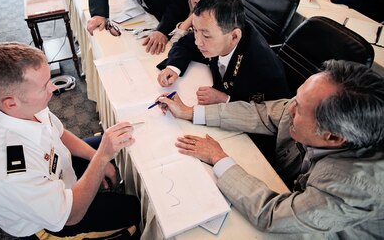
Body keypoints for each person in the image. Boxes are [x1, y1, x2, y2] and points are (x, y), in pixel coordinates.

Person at [158, 59, 384, 239]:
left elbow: (273, 215)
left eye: (300, 109)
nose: (290, 106)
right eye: (297, 96)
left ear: (333, 136)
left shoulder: (355, 185)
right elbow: (262, 113)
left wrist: (219, 158)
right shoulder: (313, 113)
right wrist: (191, 112)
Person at [0, 42, 141, 239]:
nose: (53, 87)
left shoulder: (16, 106)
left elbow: (58, 133)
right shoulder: (8, 174)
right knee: (133, 208)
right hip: (50, 224)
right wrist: (101, 159)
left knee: (121, 145)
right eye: (44, 86)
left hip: (57, 168)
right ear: (11, 102)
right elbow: (70, 216)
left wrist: (95, 156)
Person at [157, 0, 290, 105]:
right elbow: (185, 44)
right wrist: (173, 68)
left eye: (206, 36)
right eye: (195, 30)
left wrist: (226, 99)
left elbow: (271, 115)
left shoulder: (264, 69)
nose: (198, 42)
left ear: (234, 37)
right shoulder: (212, 28)